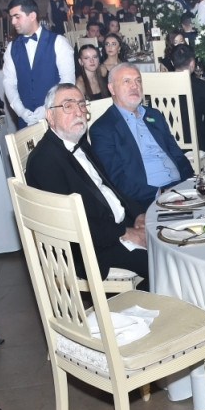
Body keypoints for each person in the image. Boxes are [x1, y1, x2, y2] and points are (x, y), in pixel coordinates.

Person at [27, 83, 149, 281]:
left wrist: (138, 214)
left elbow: (109, 189)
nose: (78, 112)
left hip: (115, 225)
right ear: (50, 115)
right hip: (92, 247)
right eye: (68, 106)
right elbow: (70, 222)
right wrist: (125, 233)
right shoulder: (44, 161)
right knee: (161, 263)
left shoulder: (80, 142)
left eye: (82, 105)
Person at [89, 64, 194, 208]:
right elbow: (116, 180)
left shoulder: (154, 115)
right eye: (127, 81)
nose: (135, 86)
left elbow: (177, 155)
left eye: (138, 80)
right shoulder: (103, 129)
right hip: (149, 198)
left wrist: (190, 183)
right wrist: (160, 193)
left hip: (181, 189)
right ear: (112, 88)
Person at [2, 0, 76, 128]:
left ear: (32, 16)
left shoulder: (59, 42)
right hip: (25, 121)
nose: (12, 22)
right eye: (11, 17)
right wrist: (21, 111)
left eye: (17, 17)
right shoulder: (11, 48)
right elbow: (9, 83)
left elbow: (68, 82)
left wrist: (46, 109)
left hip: (57, 117)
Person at [172, 44, 205, 157]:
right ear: (192, 63)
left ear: (172, 63)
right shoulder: (202, 87)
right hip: (197, 146)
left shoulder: (158, 86)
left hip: (168, 145)